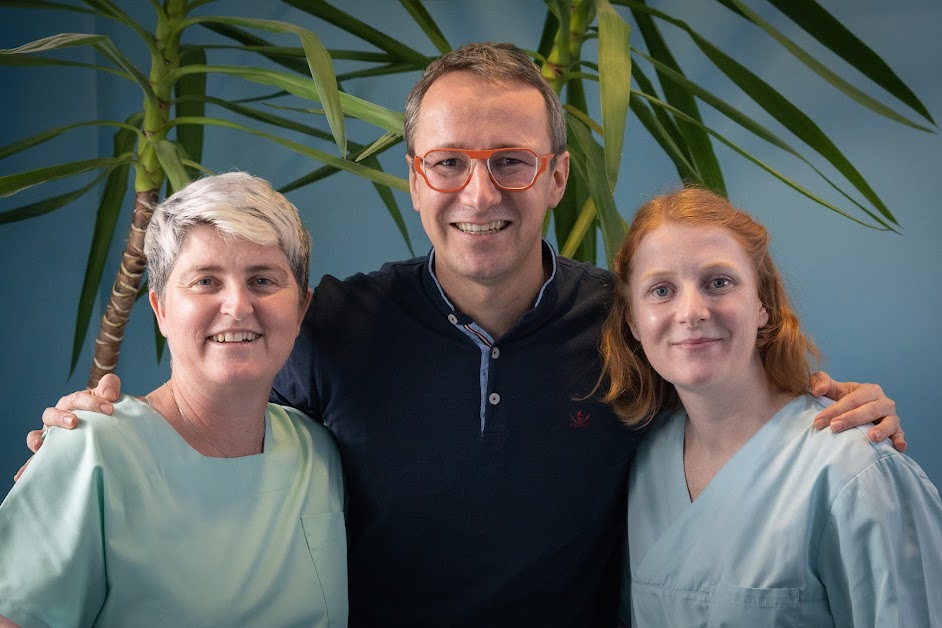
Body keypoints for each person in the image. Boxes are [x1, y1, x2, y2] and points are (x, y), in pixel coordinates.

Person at [21, 44, 903, 627]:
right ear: (415, 178)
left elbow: (730, 397)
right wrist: (97, 428)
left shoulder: (629, 322)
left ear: (556, 175)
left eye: (510, 161)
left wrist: (826, 412)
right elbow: (216, 425)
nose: (480, 196)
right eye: (450, 163)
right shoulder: (330, 323)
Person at [0, 173, 347, 626]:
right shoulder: (92, 449)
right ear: (161, 307)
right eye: (206, 281)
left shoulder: (318, 452)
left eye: (263, 280)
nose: (238, 305)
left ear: (301, 308)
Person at [599, 187, 942, 626]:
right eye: (661, 290)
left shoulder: (853, 470)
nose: (692, 311)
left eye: (718, 283)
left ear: (762, 303)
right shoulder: (642, 462)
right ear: (632, 320)